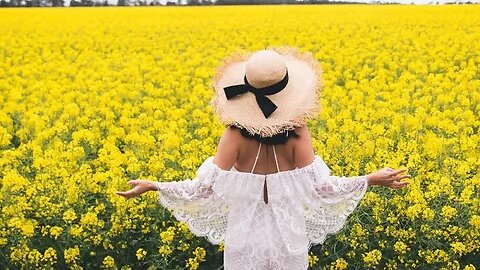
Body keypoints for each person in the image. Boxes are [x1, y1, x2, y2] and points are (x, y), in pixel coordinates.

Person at [116, 47, 411, 270]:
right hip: (288, 238)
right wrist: (369, 180)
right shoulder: (298, 133)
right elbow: (322, 188)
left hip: (245, 240)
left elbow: (203, 189)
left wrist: (156, 185)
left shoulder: (234, 135)